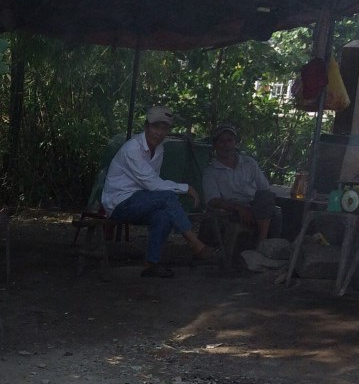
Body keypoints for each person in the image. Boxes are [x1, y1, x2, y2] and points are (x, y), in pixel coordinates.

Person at [102, 105, 211, 278]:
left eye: (164, 128)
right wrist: (186, 188)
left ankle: (151, 263)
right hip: (120, 203)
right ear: (146, 126)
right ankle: (193, 241)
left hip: (140, 201)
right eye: (155, 127)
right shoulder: (132, 149)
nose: (159, 133)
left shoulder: (159, 149)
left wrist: (180, 189)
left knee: (164, 214)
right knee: (167, 197)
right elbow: (152, 184)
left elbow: (153, 183)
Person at [202, 125, 281, 245]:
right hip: (231, 209)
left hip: (255, 205)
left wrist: (255, 206)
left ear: (235, 143)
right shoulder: (211, 171)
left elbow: (264, 189)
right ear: (215, 145)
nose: (226, 145)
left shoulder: (249, 163)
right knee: (268, 213)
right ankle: (262, 245)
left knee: (272, 207)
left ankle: (264, 243)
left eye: (230, 140)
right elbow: (212, 200)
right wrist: (238, 208)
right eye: (222, 141)